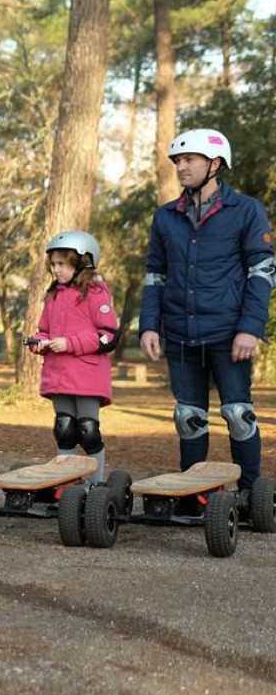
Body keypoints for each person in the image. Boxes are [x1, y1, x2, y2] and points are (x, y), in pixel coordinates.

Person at [140, 128, 275, 498]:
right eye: (177, 161)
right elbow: (155, 275)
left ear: (215, 164)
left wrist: (250, 328)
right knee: (188, 417)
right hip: (180, 332)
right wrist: (149, 325)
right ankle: (192, 493)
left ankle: (250, 495)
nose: (180, 167)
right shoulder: (166, 216)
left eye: (188, 160)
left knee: (238, 414)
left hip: (229, 333)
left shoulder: (247, 211)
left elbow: (262, 271)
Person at [26, 231, 120, 483]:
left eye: (62, 264)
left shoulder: (96, 292)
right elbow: (44, 329)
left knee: (88, 430)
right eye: (53, 264)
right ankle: (66, 484)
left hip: (88, 376)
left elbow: (108, 335)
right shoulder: (54, 295)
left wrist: (70, 343)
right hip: (60, 375)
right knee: (64, 428)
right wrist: (38, 342)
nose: (56, 270)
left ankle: (95, 486)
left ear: (82, 262)